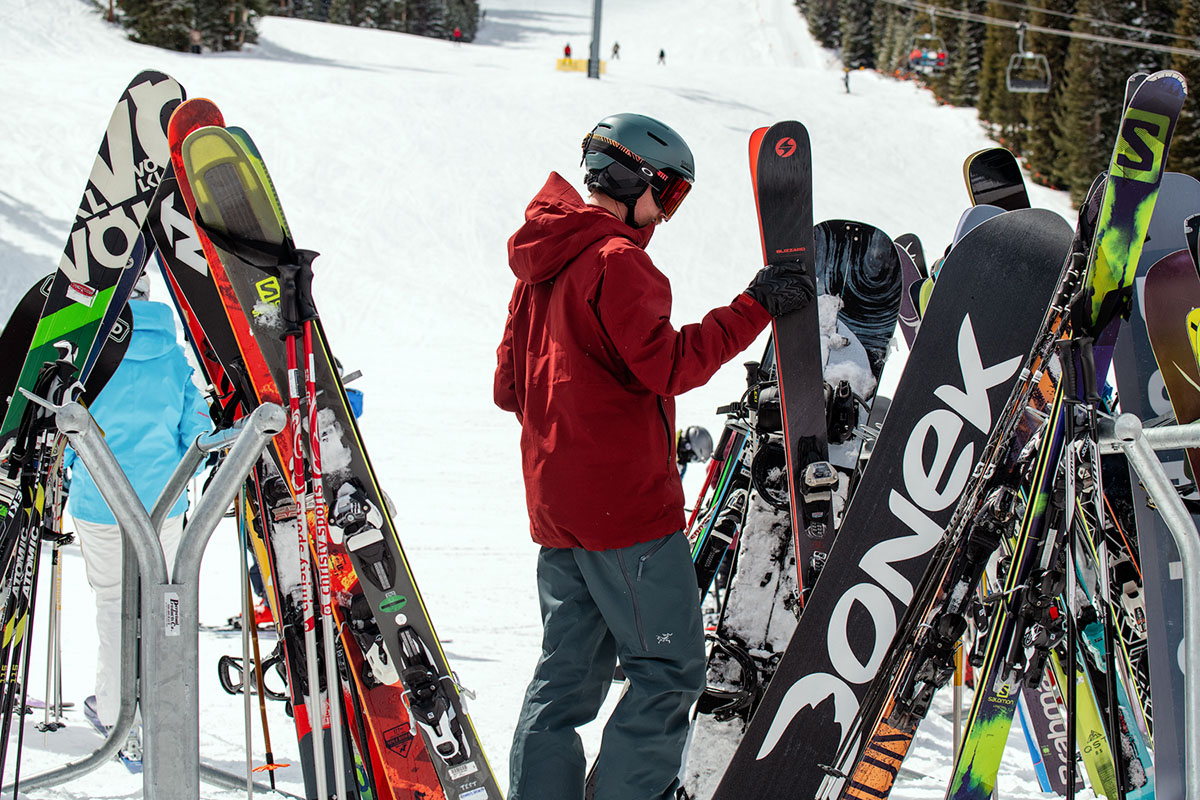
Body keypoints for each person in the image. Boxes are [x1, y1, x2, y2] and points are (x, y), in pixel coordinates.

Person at [495, 113, 813, 800]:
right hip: (627, 514)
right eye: (667, 195)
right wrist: (757, 305)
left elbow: (509, 387)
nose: (665, 216)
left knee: (566, 679)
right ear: (635, 179)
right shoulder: (618, 262)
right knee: (667, 671)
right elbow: (672, 365)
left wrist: (585, 423)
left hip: (558, 509)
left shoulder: (539, 263)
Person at [65, 276, 212, 742]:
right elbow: (197, 431)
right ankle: (157, 712)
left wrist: (75, 468)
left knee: (113, 601)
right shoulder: (172, 354)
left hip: (99, 498)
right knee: (160, 603)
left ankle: (115, 715)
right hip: (162, 503)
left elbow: (69, 424)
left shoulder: (90, 355)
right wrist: (175, 476)